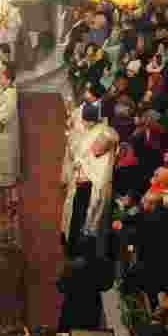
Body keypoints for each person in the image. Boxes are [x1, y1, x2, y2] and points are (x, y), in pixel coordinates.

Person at [62, 103, 118, 259]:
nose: (95, 146)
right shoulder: (97, 143)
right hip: (80, 188)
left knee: (80, 223)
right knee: (73, 217)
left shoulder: (105, 160)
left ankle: (75, 250)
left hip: (88, 197)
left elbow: (99, 181)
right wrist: (80, 162)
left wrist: (82, 168)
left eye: (98, 144)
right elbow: (85, 157)